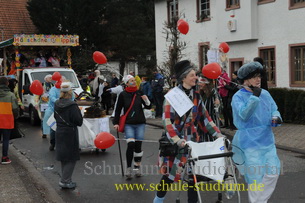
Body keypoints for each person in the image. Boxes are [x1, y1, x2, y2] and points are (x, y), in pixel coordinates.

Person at [153, 60, 223, 203]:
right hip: (177, 143)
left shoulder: (196, 95)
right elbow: (167, 123)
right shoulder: (172, 96)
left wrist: (218, 134)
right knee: (169, 176)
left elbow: (205, 119)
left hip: (193, 143)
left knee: (193, 178)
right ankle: (158, 200)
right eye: (192, 75)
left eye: (195, 75)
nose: (196, 78)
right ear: (183, 77)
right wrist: (178, 140)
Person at [231, 61, 281, 203]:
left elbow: (274, 108)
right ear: (245, 80)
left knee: (273, 173)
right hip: (249, 142)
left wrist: (276, 117)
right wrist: (254, 98)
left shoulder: (265, 93)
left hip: (267, 139)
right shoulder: (238, 97)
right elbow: (243, 115)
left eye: (259, 76)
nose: (258, 79)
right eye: (254, 77)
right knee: (255, 178)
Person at [113, 75, 151, 179]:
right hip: (129, 124)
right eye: (131, 81)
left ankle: (137, 168)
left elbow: (148, 107)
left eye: (134, 80)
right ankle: (128, 169)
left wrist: (147, 100)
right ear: (126, 83)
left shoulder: (139, 92)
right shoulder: (123, 94)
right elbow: (118, 109)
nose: (134, 82)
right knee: (130, 145)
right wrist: (116, 122)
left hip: (140, 123)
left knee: (138, 147)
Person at [54, 82, 83, 189]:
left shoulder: (57, 103)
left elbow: (55, 117)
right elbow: (78, 121)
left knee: (64, 157)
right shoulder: (72, 105)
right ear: (70, 92)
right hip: (70, 132)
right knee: (71, 157)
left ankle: (66, 180)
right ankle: (65, 180)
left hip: (60, 131)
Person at [43, 77, 74, 151]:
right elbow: (52, 98)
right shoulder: (53, 89)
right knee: (53, 127)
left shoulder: (68, 90)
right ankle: (53, 143)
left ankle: (66, 143)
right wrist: (61, 102)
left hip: (65, 110)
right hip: (55, 110)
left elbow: (72, 98)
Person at [0, 77, 18, 164]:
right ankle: (4, 157)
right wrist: (16, 116)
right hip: (7, 119)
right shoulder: (11, 95)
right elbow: (15, 108)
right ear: (7, 84)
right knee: (6, 139)